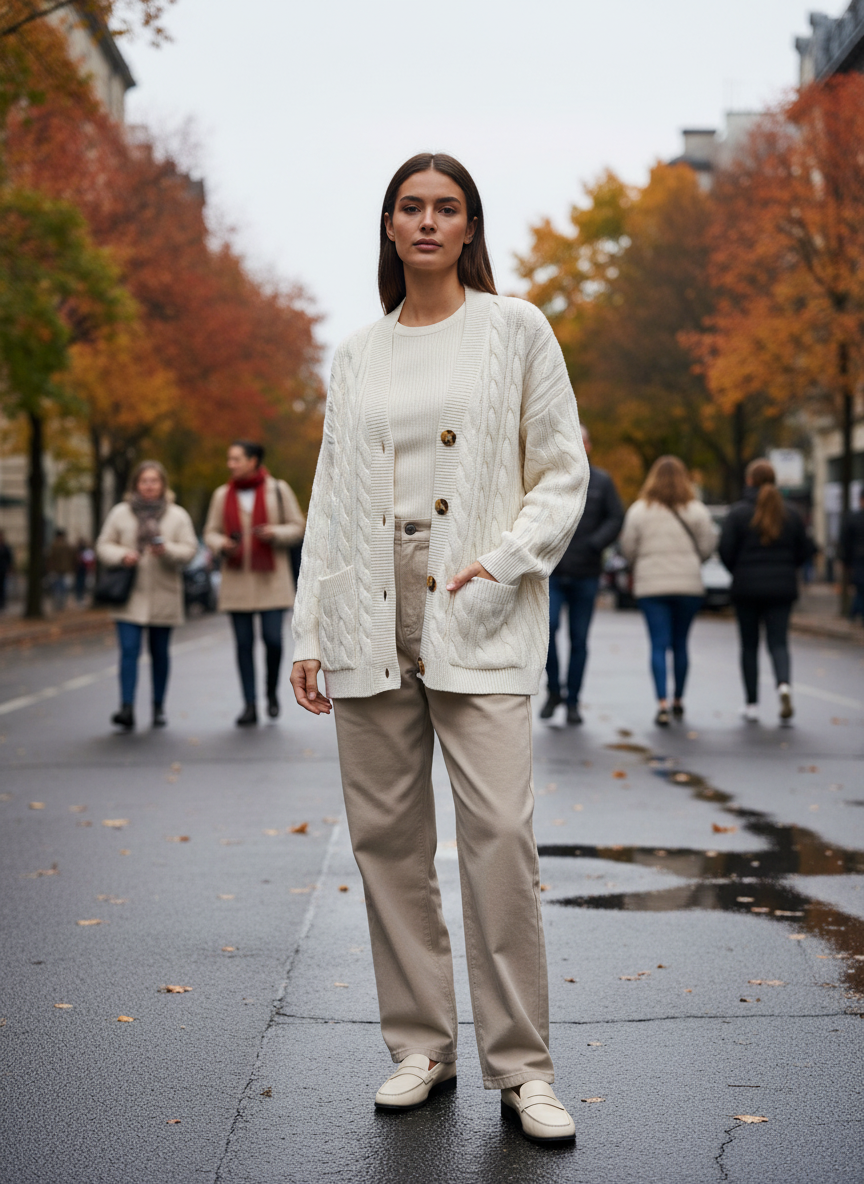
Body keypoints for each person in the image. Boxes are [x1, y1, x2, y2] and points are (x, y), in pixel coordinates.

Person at [289, 153, 587, 1145]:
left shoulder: (517, 328)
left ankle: (524, 1066)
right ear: (388, 226)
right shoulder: (357, 352)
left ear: (469, 227)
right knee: (387, 844)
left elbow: (563, 471)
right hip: (366, 605)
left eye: (445, 207)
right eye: (410, 206)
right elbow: (331, 495)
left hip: (477, 601)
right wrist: (306, 628)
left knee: (500, 836)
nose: (427, 221)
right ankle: (420, 1044)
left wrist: (506, 559)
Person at [204, 441, 305, 726]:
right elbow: (210, 531)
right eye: (229, 459)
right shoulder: (222, 495)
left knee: (273, 641)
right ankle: (249, 704)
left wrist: (275, 532)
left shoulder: (278, 489)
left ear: (253, 460)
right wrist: (220, 543)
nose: (231, 464)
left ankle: (271, 692)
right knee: (243, 645)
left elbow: (297, 526)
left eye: (236, 459)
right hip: (236, 580)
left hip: (272, 579)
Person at [96, 460, 197, 731]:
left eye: (155, 481)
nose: (149, 486)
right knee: (128, 651)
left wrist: (168, 550)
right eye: (144, 481)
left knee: (159, 653)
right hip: (129, 595)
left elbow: (189, 551)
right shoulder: (120, 513)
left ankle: (158, 706)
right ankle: (126, 707)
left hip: (164, 594)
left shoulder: (177, 515)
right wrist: (122, 555)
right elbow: (103, 545)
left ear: (163, 485)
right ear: (135, 485)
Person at [619, 456, 716, 726]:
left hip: (651, 586)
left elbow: (628, 548)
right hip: (688, 585)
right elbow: (707, 547)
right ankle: (678, 700)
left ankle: (661, 702)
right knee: (681, 644)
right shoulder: (696, 510)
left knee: (658, 645)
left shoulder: (639, 511)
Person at [720, 459, 814, 722]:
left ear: (749, 480)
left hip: (747, 588)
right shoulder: (791, 513)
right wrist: (787, 569)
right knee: (779, 642)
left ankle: (751, 704)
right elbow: (805, 550)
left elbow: (726, 550)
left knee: (749, 646)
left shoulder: (738, 513)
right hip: (781, 589)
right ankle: (783, 685)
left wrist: (739, 571)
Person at [540, 424, 623, 724]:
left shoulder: (602, 481)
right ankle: (553, 691)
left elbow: (616, 517)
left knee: (580, 639)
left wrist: (596, 543)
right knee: (547, 632)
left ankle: (573, 700)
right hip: (553, 571)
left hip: (587, 573)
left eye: (582, 441)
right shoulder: (553, 479)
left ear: (588, 445)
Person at [841, 490, 864, 624]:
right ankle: (855, 613)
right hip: (858, 559)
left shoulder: (852, 518)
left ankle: (854, 613)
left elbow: (846, 541)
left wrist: (846, 561)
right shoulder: (853, 518)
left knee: (860, 588)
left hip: (857, 559)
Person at [46, 528, 76, 612]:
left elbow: (50, 558)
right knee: (62, 588)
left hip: (58, 570)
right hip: (63, 570)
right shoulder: (67, 545)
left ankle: (58, 604)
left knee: (58, 588)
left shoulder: (53, 545)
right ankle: (60, 604)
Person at [0, 531, 13, 612]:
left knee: (3, 587)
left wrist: (9, 568)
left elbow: (9, 558)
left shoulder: (6, 547)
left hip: (3, 570)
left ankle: (2, 603)